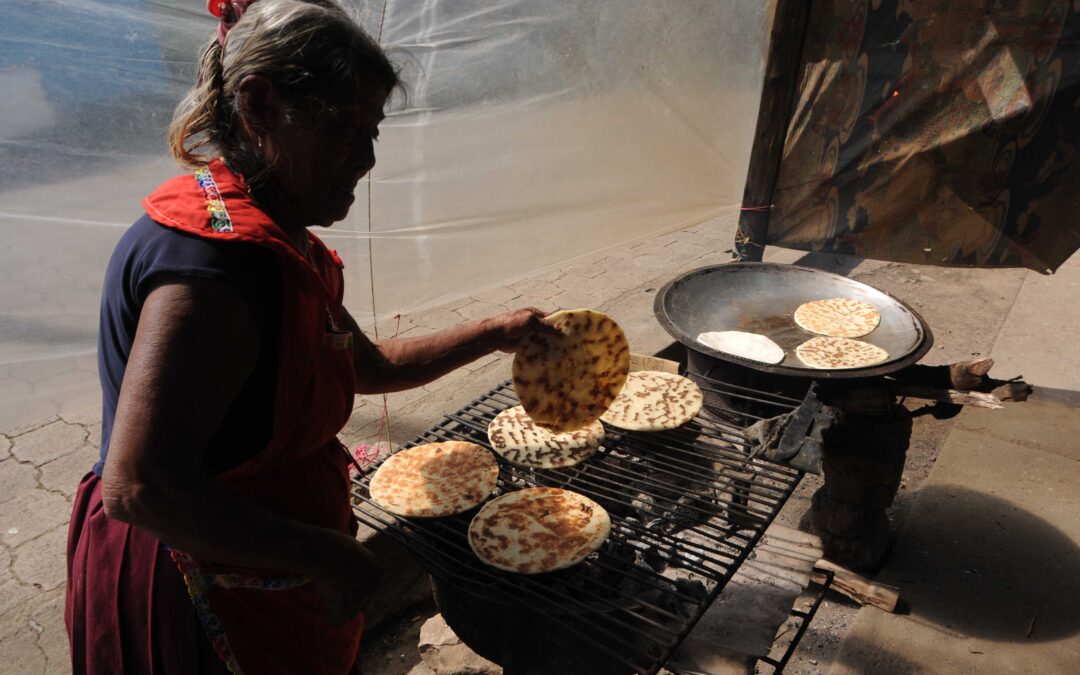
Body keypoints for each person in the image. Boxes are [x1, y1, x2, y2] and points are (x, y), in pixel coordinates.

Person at [64, 1, 554, 673]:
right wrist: (323, 553)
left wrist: (499, 331)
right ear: (260, 105)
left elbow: (369, 364)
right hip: (197, 592)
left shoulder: (281, 244)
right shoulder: (215, 269)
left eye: (374, 129)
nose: (367, 156)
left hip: (264, 573)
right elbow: (141, 486)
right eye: (344, 127)